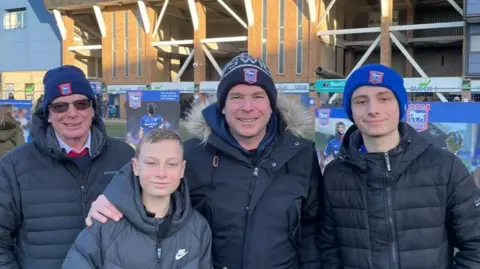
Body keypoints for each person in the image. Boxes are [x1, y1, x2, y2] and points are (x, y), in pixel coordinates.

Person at [86, 53, 322, 269]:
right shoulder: (193, 153)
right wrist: (110, 197)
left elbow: (312, 230)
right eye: (236, 97)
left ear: (271, 105)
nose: (247, 107)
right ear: (222, 106)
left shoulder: (301, 153)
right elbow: (145, 174)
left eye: (258, 96)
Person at [318, 63, 480, 268]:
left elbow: (475, 245)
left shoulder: (445, 168)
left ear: (401, 105)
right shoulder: (335, 175)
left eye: (384, 98)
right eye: (361, 101)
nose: (373, 109)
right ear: (351, 110)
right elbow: (328, 249)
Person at [0, 65, 135, 269]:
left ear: (92, 109)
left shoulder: (124, 156)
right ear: (48, 113)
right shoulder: (15, 165)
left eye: (81, 104)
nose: (72, 113)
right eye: (60, 106)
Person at [62, 128, 212, 269]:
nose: (161, 173)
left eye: (172, 164)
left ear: (182, 169)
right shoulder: (105, 224)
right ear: (135, 166)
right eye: (151, 163)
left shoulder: (198, 227)